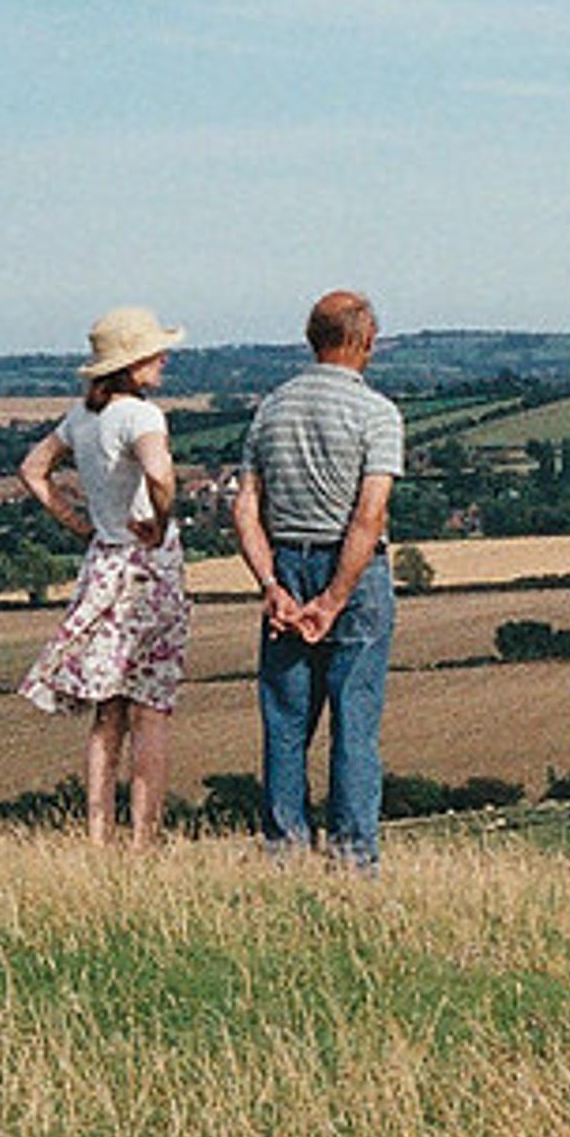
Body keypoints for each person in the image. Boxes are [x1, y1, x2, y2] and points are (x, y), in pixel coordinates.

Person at [230, 288, 404, 866]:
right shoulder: (377, 413)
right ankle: (353, 859)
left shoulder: (270, 409)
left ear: (313, 339)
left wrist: (272, 588)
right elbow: (369, 514)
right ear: (365, 342)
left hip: (286, 564)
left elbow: (245, 509)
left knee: (284, 722)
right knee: (354, 722)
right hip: (353, 574)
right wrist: (334, 598)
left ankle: (285, 853)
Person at [14, 305, 191, 848]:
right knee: (152, 711)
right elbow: (160, 475)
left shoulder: (81, 417)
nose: (163, 360)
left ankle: (98, 836)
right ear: (132, 364)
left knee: (106, 713)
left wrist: (76, 523)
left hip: (102, 563)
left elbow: (32, 470)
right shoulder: (143, 417)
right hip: (150, 571)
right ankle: (142, 840)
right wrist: (160, 521)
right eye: (154, 353)